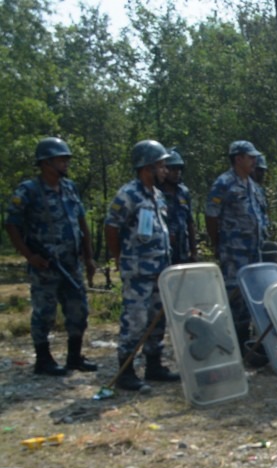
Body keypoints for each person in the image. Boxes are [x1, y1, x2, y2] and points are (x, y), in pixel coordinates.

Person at [5, 136, 97, 375]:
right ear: (46, 162)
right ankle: (43, 360)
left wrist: (88, 257)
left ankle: (74, 357)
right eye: (61, 159)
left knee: (79, 309)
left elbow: (81, 222)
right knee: (44, 312)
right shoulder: (29, 190)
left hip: (71, 262)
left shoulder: (70, 187)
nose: (66, 163)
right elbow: (11, 224)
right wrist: (29, 256)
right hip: (45, 264)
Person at [104, 140, 181, 391]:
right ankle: (126, 372)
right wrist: (120, 257)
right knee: (134, 321)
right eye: (161, 165)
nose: (165, 170)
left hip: (159, 272)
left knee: (156, 321)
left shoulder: (158, 196)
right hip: (138, 272)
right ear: (147, 167)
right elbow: (111, 228)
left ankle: (154, 366)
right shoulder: (128, 195)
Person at [206, 140, 268, 351]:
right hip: (234, 252)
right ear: (238, 158)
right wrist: (218, 243)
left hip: (254, 251)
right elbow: (211, 216)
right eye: (250, 157)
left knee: (252, 295)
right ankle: (234, 344)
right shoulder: (224, 183)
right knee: (234, 297)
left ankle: (246, 339)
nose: (254, 161)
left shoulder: (252, 185)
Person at [159, 148, 197, 264]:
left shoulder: (183, 192)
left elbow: (190, 223)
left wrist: (193, 251)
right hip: (162, 255)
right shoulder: (156, 193)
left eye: (179, 169)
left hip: (182, 253)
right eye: (173, 169)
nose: (177, 172)